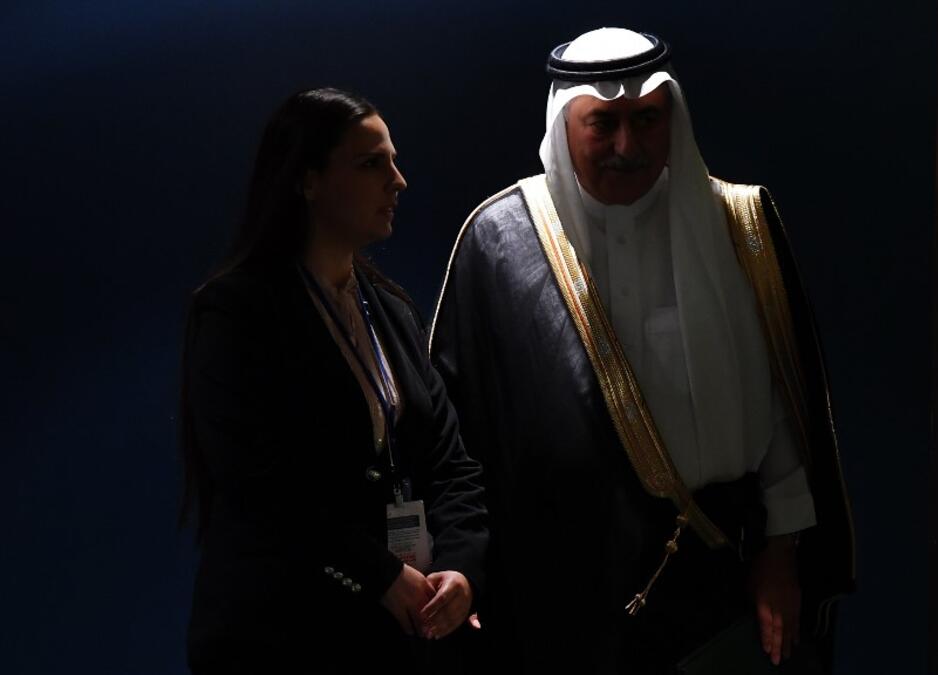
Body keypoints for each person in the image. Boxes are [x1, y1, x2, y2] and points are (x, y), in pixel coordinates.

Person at [429, 28, 855, 674]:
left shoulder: (739, 227)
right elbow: (450, 439)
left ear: (672, 118)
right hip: (554, 604)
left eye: (647, 120)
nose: (627, 146)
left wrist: (782, 551)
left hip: (717, 582)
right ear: (564, 123)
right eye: (603, 123)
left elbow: (783, 411)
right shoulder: (499, 241)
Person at [180, 87, 487, 674]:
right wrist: (380, 573)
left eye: (394, 161)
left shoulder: (391, 309)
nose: (397, 181)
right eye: (373, 163)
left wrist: (462, 567)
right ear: (307, 180)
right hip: (282, 636)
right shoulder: (235, 313)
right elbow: (261, 488)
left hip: (390, 639)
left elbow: (452, 461)